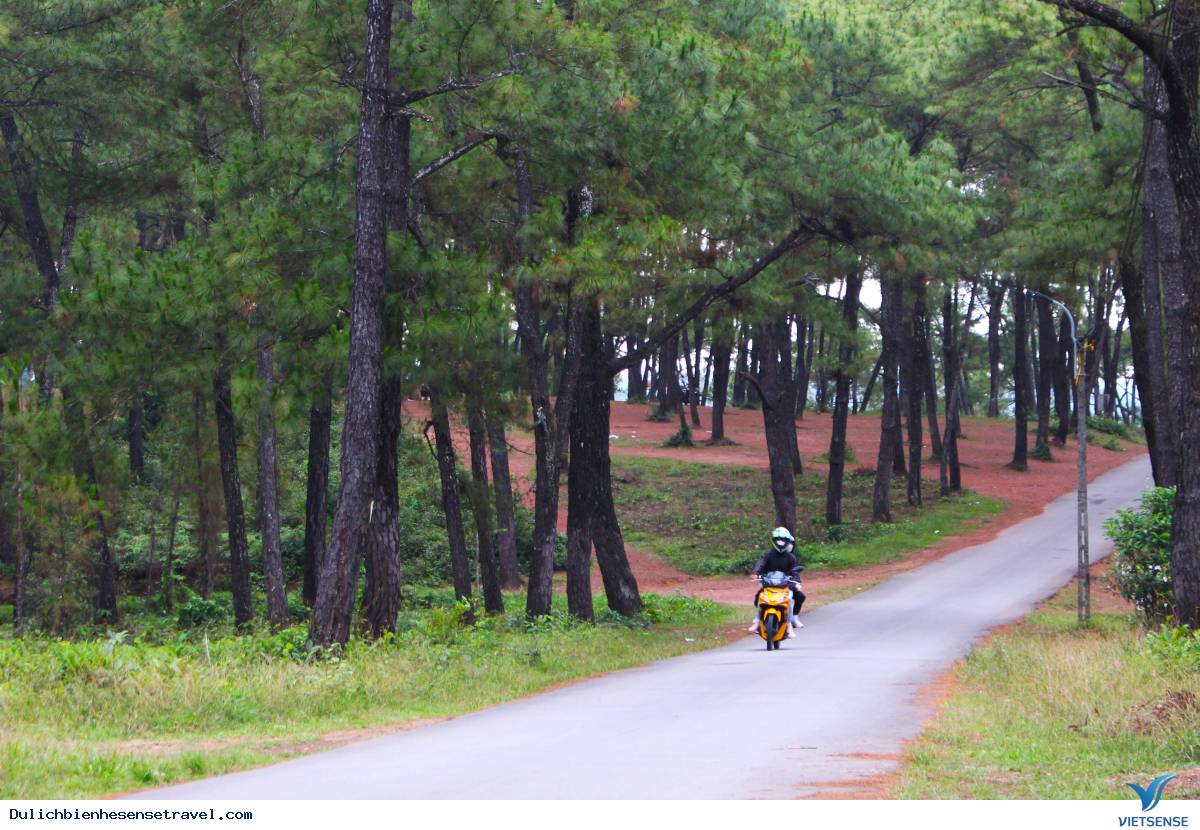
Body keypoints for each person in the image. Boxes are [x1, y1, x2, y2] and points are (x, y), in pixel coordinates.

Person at [747, 526, 806, 637]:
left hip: (785, 585)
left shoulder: (790, 558)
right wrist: (756, 573)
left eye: (783, 540)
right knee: (760, 597)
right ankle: (757, 621)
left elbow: (794, 571)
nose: (781, 543)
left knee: (790, 597)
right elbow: (761, 564)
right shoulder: (768, 555)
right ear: (774, 540)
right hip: (769, 583)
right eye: (778, 540)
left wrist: (797, 582)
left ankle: (789, 625)